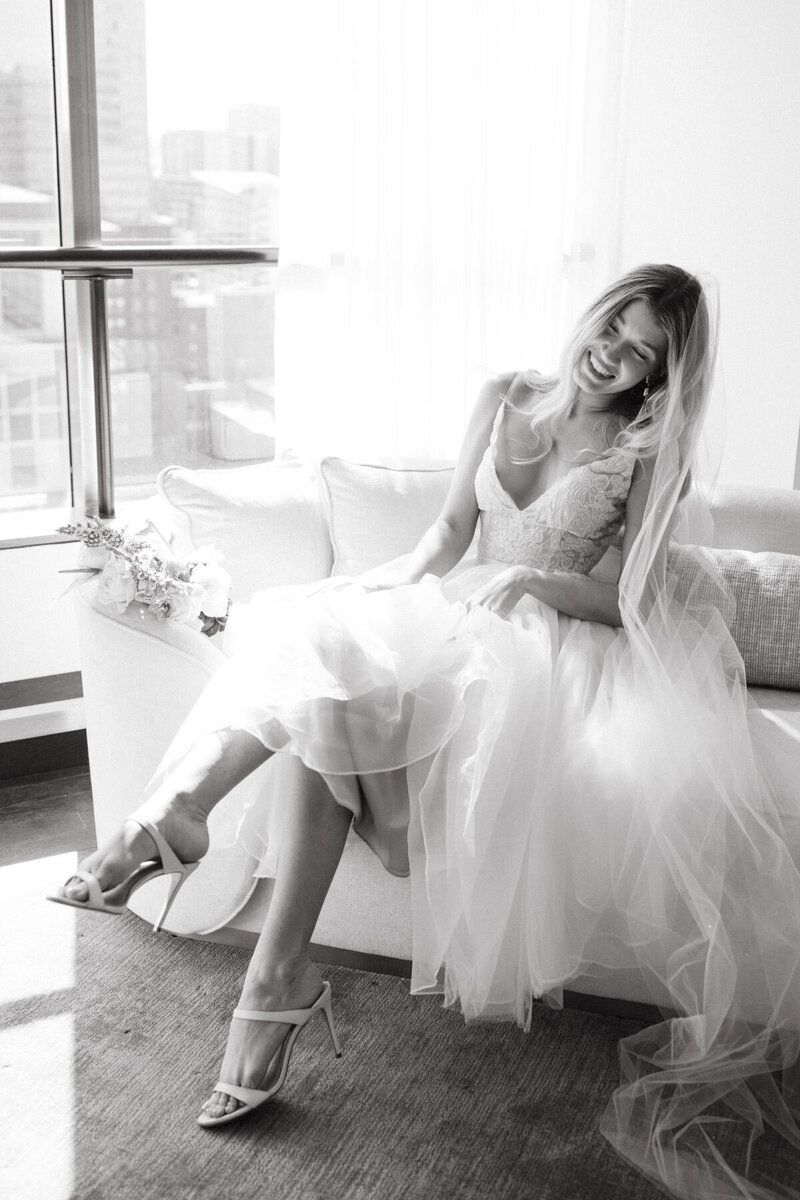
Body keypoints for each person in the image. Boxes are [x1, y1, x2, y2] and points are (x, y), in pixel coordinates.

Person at [48, 264, 800, 1198]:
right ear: (595, 314)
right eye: (614, 327)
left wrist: (535, 580)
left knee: (331, 708)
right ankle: (236, 920)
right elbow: (447, 533)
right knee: (321, 657)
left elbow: (636, 599)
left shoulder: (644, 450)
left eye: (641, 353)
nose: (612, 356)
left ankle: (206, 870)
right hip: (456, 607)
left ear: (659, 375)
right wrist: (375, 588)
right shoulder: (504, 394)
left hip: (547, 643)